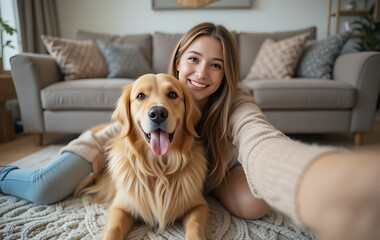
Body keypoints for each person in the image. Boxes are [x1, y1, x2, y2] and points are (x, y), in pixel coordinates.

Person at [1, 22, 379, 240]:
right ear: (178, 59)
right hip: (108, 140)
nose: (202, 73)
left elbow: (260, 141)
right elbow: (119, 133)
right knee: (43, 187)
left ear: (227, 73)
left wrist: (313, 176)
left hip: (186, 165)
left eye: (216, 65)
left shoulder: (236, 104)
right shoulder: (146, 98)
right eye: (194, 60)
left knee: (253, 204)